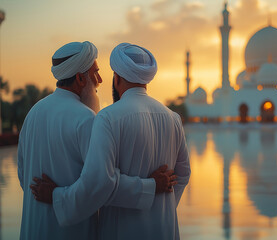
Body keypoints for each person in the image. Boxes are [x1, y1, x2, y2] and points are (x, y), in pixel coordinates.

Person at [31, 43, 191, 240]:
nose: (100, 80)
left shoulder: (108, 118)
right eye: (96, 73)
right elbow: (183, 175)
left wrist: (57, 197)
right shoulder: (173, 117)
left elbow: (100, 182)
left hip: (121, 230)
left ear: (117, 78)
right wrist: (161, 204)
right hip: (165, 228)